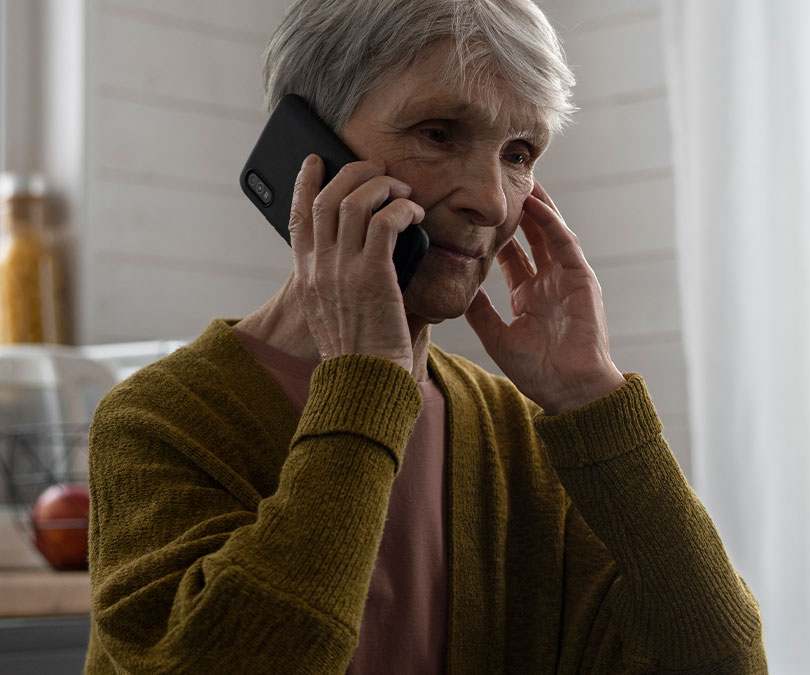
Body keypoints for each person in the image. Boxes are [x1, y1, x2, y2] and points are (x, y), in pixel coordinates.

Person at [83, 0, 766, 672]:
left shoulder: (517, 434)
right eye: (438, 133)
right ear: (306, 144)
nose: (492, 201)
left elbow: (723, 662)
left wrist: (594, 402)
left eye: (519, 154)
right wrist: (365, 385)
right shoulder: (159, 419)